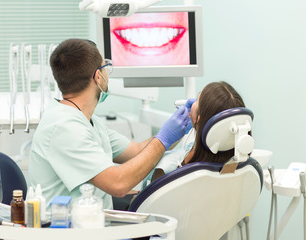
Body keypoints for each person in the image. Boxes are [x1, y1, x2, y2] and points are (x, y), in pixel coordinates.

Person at [28, 38, 189, 210]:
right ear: (98, 76)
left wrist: (182, 126)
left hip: (91, 221)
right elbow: (117, 184)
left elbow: (136, 151)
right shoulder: (64, 127)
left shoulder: (85, 120)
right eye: (105, 67)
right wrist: (163, 138)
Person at [143, 81, 247, 185]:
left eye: (198, 99)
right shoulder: (241, 167)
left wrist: (164, 138)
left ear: (198, 118)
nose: (193, 102)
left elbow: (146, 198)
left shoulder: (167, 167)